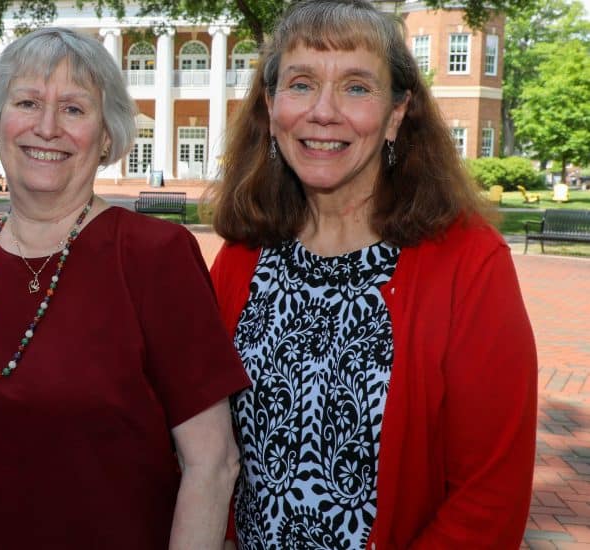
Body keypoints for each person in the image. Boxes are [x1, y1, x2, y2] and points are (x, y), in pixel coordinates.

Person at [0, 27, 250, 549]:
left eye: (74, 109)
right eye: (28, 102)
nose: (47, 127)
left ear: (107, 137)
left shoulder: (155, 258)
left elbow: (212, 462)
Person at [206, 1, 537, 547]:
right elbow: (208, 448)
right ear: (271, 105)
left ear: (396, 114)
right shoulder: (243, 257)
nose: (324, 112)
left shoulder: (469, 265)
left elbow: (490, 498)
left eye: (357, 87)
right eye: (301, 84)